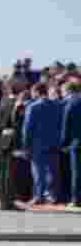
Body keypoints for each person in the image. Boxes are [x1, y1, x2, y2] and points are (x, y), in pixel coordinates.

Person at [23, 83, 61, 205]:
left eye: (33, 92)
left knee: (38, 171)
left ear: (37, 92)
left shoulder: (33, 106)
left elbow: (27, 128)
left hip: (37, 144)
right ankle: (52, 196)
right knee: (52, 171)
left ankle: (39, 196)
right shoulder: (57, 105)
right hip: (53, 142)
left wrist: (26, 145)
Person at [61, 79, 81, 208]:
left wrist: (64, 144)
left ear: (69, 91)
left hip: (76, 143)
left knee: (76, 172)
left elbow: (66, 126)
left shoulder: (71, 105)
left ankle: (76, 199)